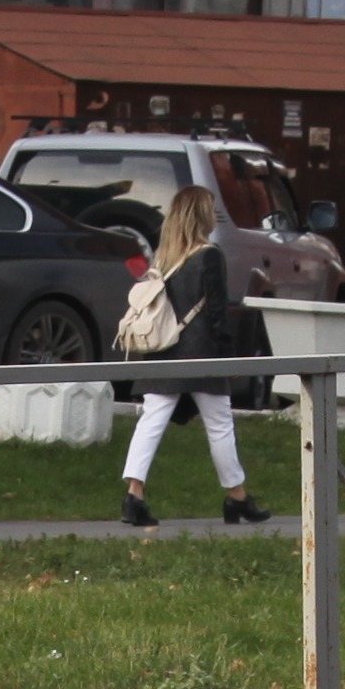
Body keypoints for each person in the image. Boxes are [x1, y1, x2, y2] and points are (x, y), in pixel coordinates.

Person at [115, 186, 272, 528]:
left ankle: (134, 495)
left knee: (151, 422)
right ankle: (237, 497)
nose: (215, 215)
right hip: (201, 353)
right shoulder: (209, 256)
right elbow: (217, 313)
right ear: (200, 215)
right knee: (219, 425)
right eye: (211, 209)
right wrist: (228, 357)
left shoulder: (164, 256)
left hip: (162, 350)